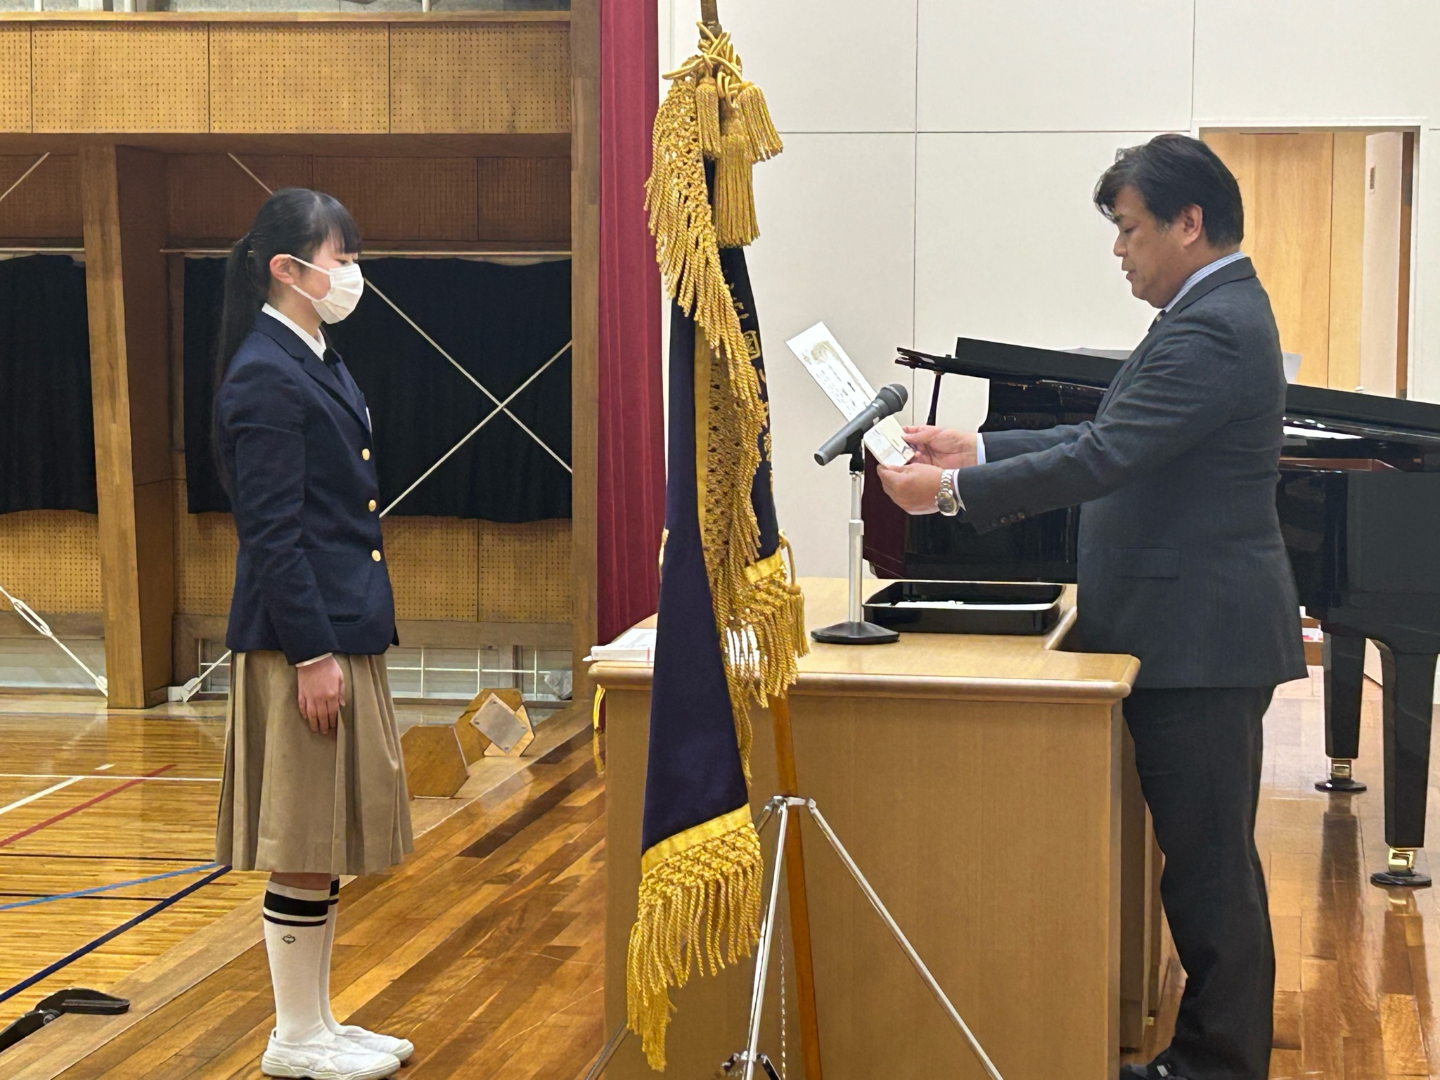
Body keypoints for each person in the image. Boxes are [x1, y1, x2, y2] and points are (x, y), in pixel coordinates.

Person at [878, 134, 1304, 1080]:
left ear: (1189, 223)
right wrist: (976, 448)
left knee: (1211, 875)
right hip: (1189, 632)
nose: (1119, 250)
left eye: (1130, 228)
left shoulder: (1213, 325)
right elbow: (1112, 430)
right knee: (1204, 867)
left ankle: (1219, 1066)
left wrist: (947, 495)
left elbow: (1106, 457)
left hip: (1199, 640)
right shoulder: (1206, 311)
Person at [212, 188, 414, 1080]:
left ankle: (320, 1022)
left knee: (324, 840)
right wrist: (312, 652)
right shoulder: (265, 369)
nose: (353, 273)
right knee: (301, 841)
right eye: (342, 257)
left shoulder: (313, 356)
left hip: (341, 622)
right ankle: (294, 1036)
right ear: (287, 270)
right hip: (304, 638)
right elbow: (272, 530)